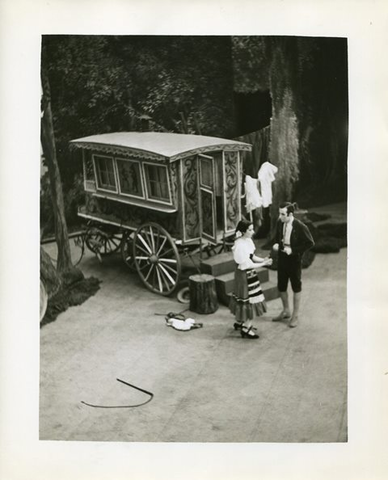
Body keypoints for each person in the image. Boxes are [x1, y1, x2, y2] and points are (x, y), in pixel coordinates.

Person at [272, 202, 315, 328]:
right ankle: (286, 311)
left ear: (290, 214)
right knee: (281, 286)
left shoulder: (300, 226)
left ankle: (295, 315)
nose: (280, 217)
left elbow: (310, 243)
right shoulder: (280, 222)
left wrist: (294, 250)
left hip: (294, 261)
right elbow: (277, 238)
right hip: (282, 258)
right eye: (279, 213)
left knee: (296, 286)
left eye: (283, 214)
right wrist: (276, 244)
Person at [229, 219, 273, 339]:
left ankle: (240, 321)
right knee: (248, 299)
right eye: (250, 230)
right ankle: (246, 327)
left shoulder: (247, 241)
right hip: (244, 275)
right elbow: (246, 264)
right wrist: (264, 264)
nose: (253, 232)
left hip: (248, 274)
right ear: (243, 231)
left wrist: (263, 259)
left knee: (244, 298)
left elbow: (251, 256)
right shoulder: (239, 246)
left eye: (252, 229)